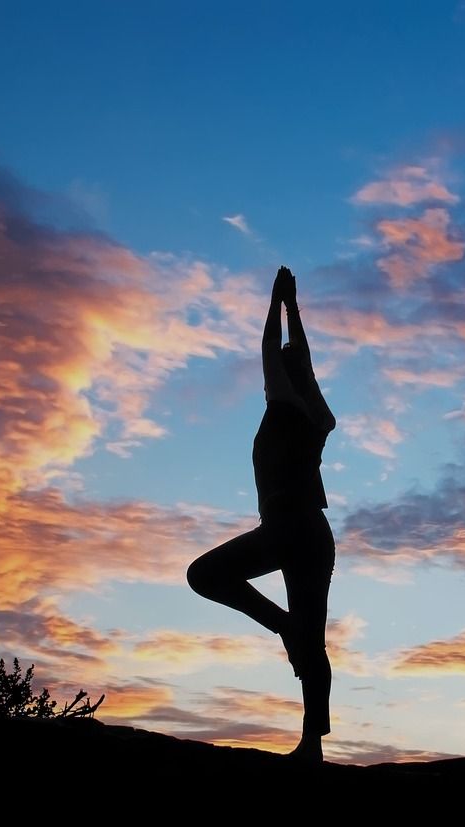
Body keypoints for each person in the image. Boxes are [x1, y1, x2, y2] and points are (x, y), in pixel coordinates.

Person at [187, 265, 337, 763]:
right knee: (313, 640)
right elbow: (301, 357)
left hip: (287, 526)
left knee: (204, 575)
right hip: (313, 533)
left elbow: (274, 349)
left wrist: (278, 304)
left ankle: (283, 627)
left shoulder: (285, 404)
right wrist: (293, 307)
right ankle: (312, 744)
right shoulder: (316, 416)